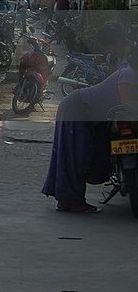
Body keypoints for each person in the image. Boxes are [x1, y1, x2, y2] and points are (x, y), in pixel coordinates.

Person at [42, 25, 138, 213]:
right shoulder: (129, 74)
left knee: (72, 156)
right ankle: (72, 202)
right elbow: (130, 106)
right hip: (77, 109)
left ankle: (66, 200)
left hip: (82, 109)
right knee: (76, 155)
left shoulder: (127, 69)